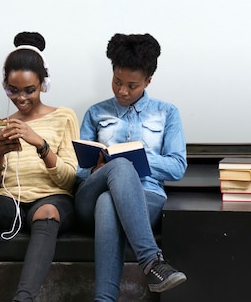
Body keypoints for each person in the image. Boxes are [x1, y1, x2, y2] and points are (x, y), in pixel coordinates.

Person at [0, 32, 80, 302]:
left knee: (46, 210)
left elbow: (70, 180)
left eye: (29, 90)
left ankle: (23, 299)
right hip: (9, 203)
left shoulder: (64, 117)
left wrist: (40, 144)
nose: (20, 98)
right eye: (12, 90)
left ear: (43, 85)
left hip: (51, 201)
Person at [75, 33, 187, 301]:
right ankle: (151, 262)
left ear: (148, 81)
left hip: (146, 197)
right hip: (88, 198)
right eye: (117, 82)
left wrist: (141, 157)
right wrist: (97, 170)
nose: (122, 91)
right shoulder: (95, 112)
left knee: (108, 202)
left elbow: (177, 167)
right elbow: (77, 169)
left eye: (132, 86)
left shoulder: (167, 113)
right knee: (113, 176)